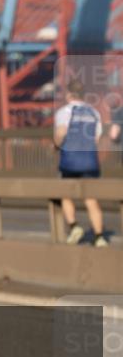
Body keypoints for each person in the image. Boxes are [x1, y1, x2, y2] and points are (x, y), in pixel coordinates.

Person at [54, 80, 107, 247]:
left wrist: (57, 144)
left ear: (68, 94)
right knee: (91, 199)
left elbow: (61, 133)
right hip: (90, 161)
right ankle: (99, 237)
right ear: (83, 95)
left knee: (66, 195)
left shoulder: (65, 111)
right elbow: (97, 138)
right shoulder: (94, 113)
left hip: (70, 161)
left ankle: (74, 227)